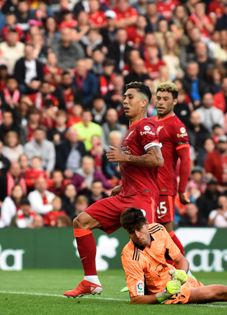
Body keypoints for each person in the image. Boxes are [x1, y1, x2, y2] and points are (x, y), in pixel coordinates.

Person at [64, 82, 163, 298]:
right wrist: (123, 185)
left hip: (142, 198)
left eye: (130, 97)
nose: (125, 101)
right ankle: (91, 281)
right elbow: (139, 168)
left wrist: (124, 157)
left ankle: (177, 279)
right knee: (81, 221)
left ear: (143, 103)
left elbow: (157, 160)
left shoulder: (145, 126)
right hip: (126, 194)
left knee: (147, 243)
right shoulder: (130, 130)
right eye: (124, 97)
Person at [149, 82, 191, 259]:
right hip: (146, 186)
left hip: (164, 186)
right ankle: (150, 277)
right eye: (158, 98)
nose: (160, 102)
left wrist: (182, 190)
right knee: (147, 232)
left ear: (175, 101)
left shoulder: (176, 125)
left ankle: (184, 271)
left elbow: (186, 159)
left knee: (166, 231)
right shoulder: (148, 122)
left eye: (165, 99)